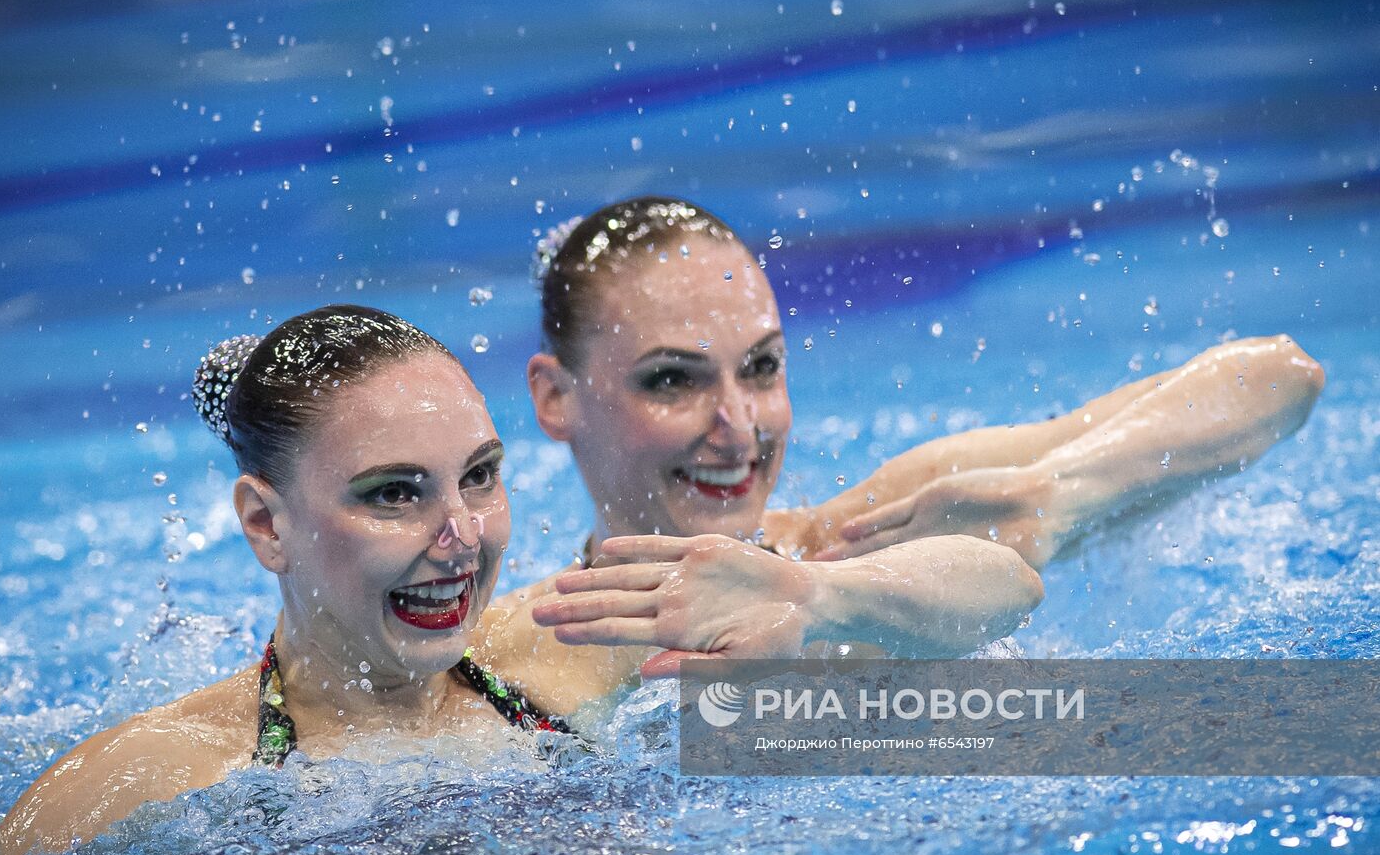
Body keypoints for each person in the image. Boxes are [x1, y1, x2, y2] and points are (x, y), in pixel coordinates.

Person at [0, 304, 1040, 855]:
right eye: (394, 494)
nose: (461, 540)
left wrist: (818, 599)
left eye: (481, 480)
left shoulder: (571, 640)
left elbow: (1001, 584)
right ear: (267, 524)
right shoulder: (153, 781)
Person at [521, 197, 1325, 640]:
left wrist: (1052, 495)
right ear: (556, 397)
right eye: (673, 379)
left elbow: (1274, 380)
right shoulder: (516, 660)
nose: (739, 425)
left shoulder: (872, 534)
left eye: (762, 368)